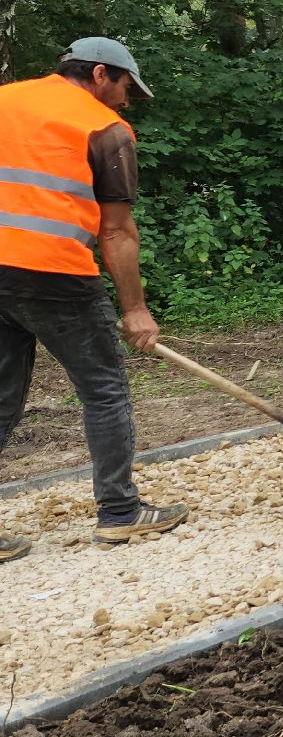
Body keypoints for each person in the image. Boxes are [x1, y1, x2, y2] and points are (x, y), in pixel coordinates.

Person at [0, 37, 189, 562]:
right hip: (55, 276)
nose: (128, 100)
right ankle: (120, 512)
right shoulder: (106, 129)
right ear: (101, 74)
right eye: (127, 86)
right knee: (104, 391)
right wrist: (135, 309)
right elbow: (117, 233)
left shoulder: (4, 100)